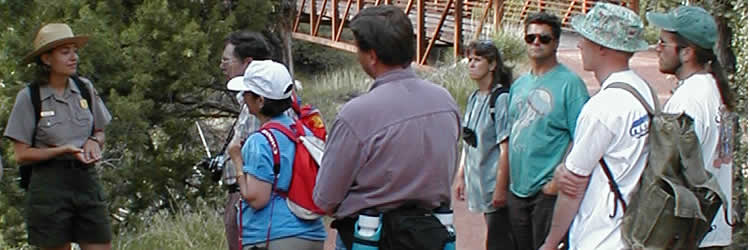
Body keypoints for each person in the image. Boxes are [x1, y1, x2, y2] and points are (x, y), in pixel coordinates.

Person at [312, 5, 461, 249]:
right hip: (430, 235)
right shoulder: (445, 101)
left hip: (369, 238)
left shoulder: (356, 114)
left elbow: (325, 199)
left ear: (372, 55)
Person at [539, 3, 655, 249]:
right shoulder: (644, 91)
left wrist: (550, 242)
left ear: (602, 46)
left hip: (600, 237)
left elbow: (573, 185)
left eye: (585, 38)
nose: (580, 44)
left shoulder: (603, 107)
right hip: (635, 231)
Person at [4, 23, 113, 250]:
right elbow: (21, 154)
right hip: (49, 186)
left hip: (86, 182)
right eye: (65, 52)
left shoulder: (85, 88)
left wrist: (94, 142)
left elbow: (100, 131)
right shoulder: (29, 97)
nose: (73, 57)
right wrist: (62, 150)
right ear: (46, 59)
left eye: (75, 50)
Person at [647, 6, 735, 249]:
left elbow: (668, 171)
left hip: (690, 232)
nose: (657, 48)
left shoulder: (688, 100)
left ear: (686, 52)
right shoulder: (712, 88)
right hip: (712, 227)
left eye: (663, 43)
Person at [503, 12, 589, 250]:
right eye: (531, 37)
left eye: (544, 38)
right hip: (517, 189)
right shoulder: (519, 84)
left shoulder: (570, 85)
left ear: (556, 42)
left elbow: (581, 138)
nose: (536, 43)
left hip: (547, 193)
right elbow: (511, 134)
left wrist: (555, 183)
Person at [227, 60, 326, 250]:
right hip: (312, 234)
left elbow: (256, 198)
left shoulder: (260, 141)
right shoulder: (304, 131)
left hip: (273, 236)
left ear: (260, 101)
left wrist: (237, 160)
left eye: (247, 93)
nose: (243, 97)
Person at [452, 40, 515, 250]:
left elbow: (505, 148)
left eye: (478, 60)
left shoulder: (500, 99)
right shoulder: (473, 97)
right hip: (478, 182)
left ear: (492, 64)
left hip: (492, 183)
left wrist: (500, 189)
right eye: (470, 59)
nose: (471, 64)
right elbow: (468, 140)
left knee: (498, 242)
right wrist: (461, 175)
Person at [220, 30, 269, 250]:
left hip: (249, 198)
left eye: (226, 60)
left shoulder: (259, 107)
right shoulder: (257, 101)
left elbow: (257, 158)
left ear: (247, 63)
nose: (222, 66)